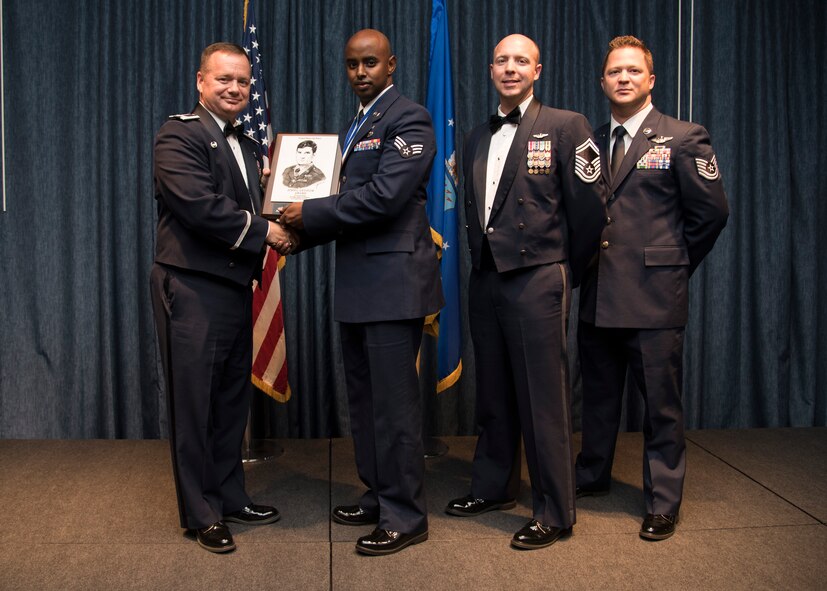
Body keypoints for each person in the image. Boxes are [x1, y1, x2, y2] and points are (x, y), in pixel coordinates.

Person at [278, 29, 443, 556]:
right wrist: (290, 231)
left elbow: (385, 198)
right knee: (366, 402)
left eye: (370, 62)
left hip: (393, 286)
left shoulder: (409, 117)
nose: (360, 72)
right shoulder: (356, 126)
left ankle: (406, 514)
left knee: (394, 408)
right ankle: (378, 494)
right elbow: (340, 199)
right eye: (352, 65)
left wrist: (308, 215)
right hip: (358, 284)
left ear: (391, 64)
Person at [444, 34, 607, 550]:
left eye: (521, 61)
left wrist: (559, 267)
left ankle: (556, 509)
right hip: (486, 277)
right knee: (492, 391)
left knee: (543, 399)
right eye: (501, 61)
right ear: (490, 69)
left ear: (538, 69)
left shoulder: (566, 126)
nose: (510, 68)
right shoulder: (473, 136)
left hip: (539, 276)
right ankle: (493, 486)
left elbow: (589, 211)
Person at [575, 35, 729, 541]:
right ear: (602, 82)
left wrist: (673, 265)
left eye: (633, 71)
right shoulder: (591, 141)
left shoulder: (683, 137)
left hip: (654, 299)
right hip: (598, 295)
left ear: (651, 80)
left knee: (661, 406)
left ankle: (662, 501)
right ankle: (592, 475)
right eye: (615, 71)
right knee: (596, 399)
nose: (623, 78)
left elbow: (711, 214)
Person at [150, 42, 296, 554]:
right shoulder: (178, 134)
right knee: (195, 403)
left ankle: (230, 494)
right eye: (224, 80)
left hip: (234, 285)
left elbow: (260, 202)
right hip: (191, 285)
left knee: (232, 400)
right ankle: (200, 512)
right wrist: (267, 231)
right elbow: (198, 206)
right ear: (201, 82)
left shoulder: (253, 148)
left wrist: (274, 197)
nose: (235, 89)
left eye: (243, 82)